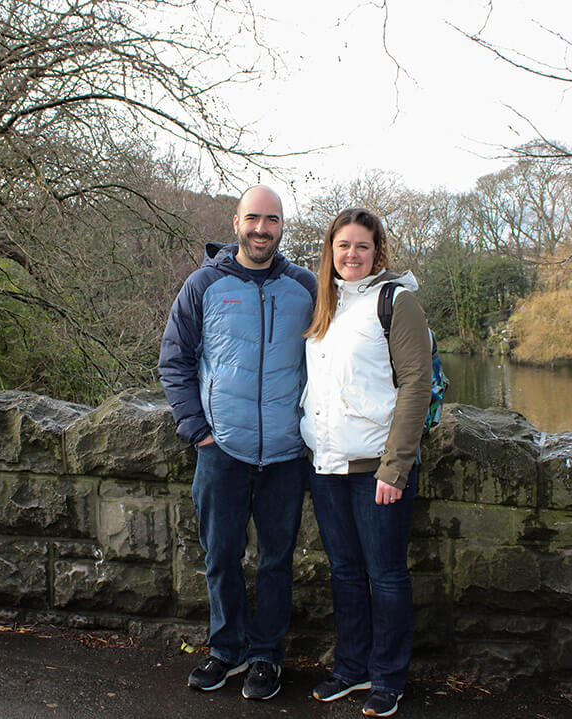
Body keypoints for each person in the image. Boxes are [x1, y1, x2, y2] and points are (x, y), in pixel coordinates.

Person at [158, 185, 317, 701]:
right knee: (222, 555)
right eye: (253, 218)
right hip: (221, 450)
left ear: (282, 227)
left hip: (287, 454)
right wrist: (197, 432)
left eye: (271, 220)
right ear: (235, 222)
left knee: (276, 560)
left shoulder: (306, 287)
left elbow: (333, 360)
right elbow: (175, 361)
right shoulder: (203, 285)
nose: (261, 228)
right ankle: (226, 650)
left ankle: (266, 657)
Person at [300, 208, 432, 718]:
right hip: (326, 465)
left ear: (378, 252)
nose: (350, 255)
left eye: (361, 246)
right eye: (342, 245)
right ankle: (351, 670)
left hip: (377, 466)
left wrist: (395, 467)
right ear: (329, 250)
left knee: (387, 575)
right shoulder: (324, 306)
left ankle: (389, 677)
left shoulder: (396, 302)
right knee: (346, 574)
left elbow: (415, 386)